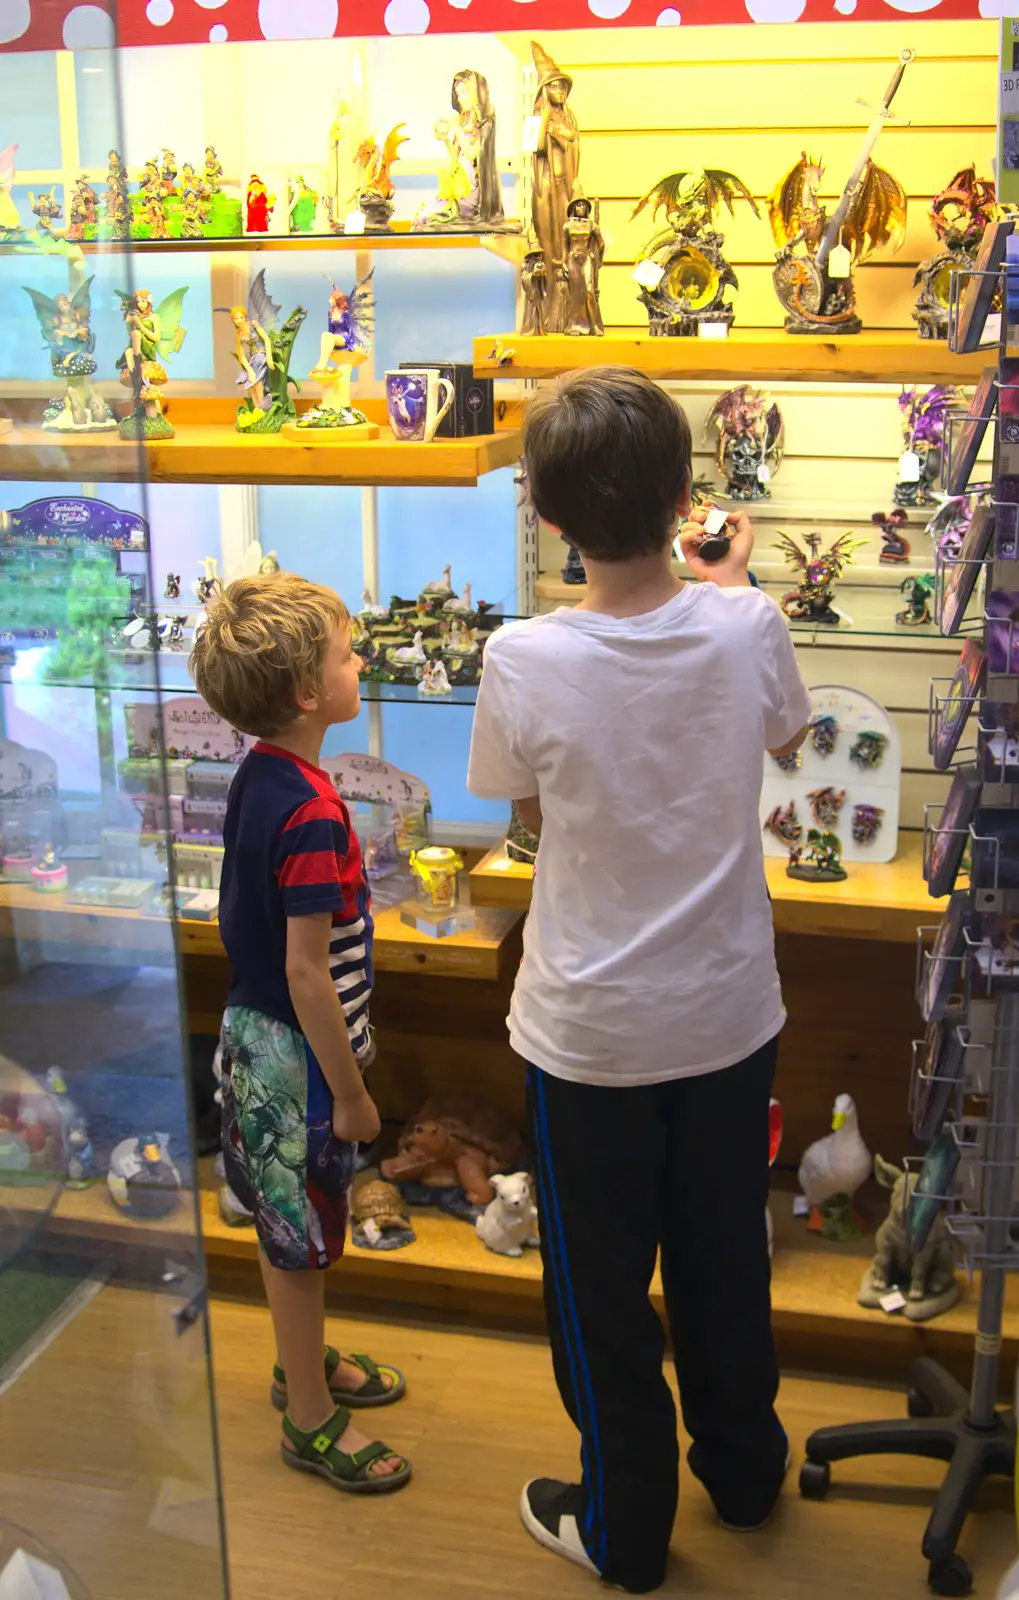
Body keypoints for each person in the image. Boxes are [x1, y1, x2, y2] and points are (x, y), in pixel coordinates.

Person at [467, 367, 811, 1594]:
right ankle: (745, 1469)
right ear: (683, 496)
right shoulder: (747, 621)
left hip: (588, 1034)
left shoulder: (518, 654)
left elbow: (516, 801)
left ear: (548, 516)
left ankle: (623, 1527)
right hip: (725, 1013)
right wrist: (725, 585)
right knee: (725, 1253)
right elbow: (784, 736)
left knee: (599, 1290)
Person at [190, 572, 411, 1496]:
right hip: (296, 1064)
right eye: (347, 651)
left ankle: (303, 1360)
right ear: (306, 694)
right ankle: (309, 1418)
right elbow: (306, 972)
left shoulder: (265, 775)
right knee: (301, 1239)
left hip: (259, 1043)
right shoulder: (314, 812)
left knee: (299, 1232)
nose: (361, 660)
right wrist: (353, 1093)